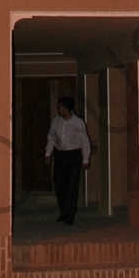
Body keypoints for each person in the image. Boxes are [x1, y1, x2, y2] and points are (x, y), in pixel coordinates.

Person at [43, 95, 91, 225]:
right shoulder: (56, 121)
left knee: (71, 185)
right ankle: (63, 211)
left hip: (73, 155)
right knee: (59, 183)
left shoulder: (78, 122)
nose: (58, 110)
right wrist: (48, 153)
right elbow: (51, 137)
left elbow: (84, 140)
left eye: (60, 107)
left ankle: (69, 215)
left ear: (66, 108)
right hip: (60, 156)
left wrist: (85, 159)